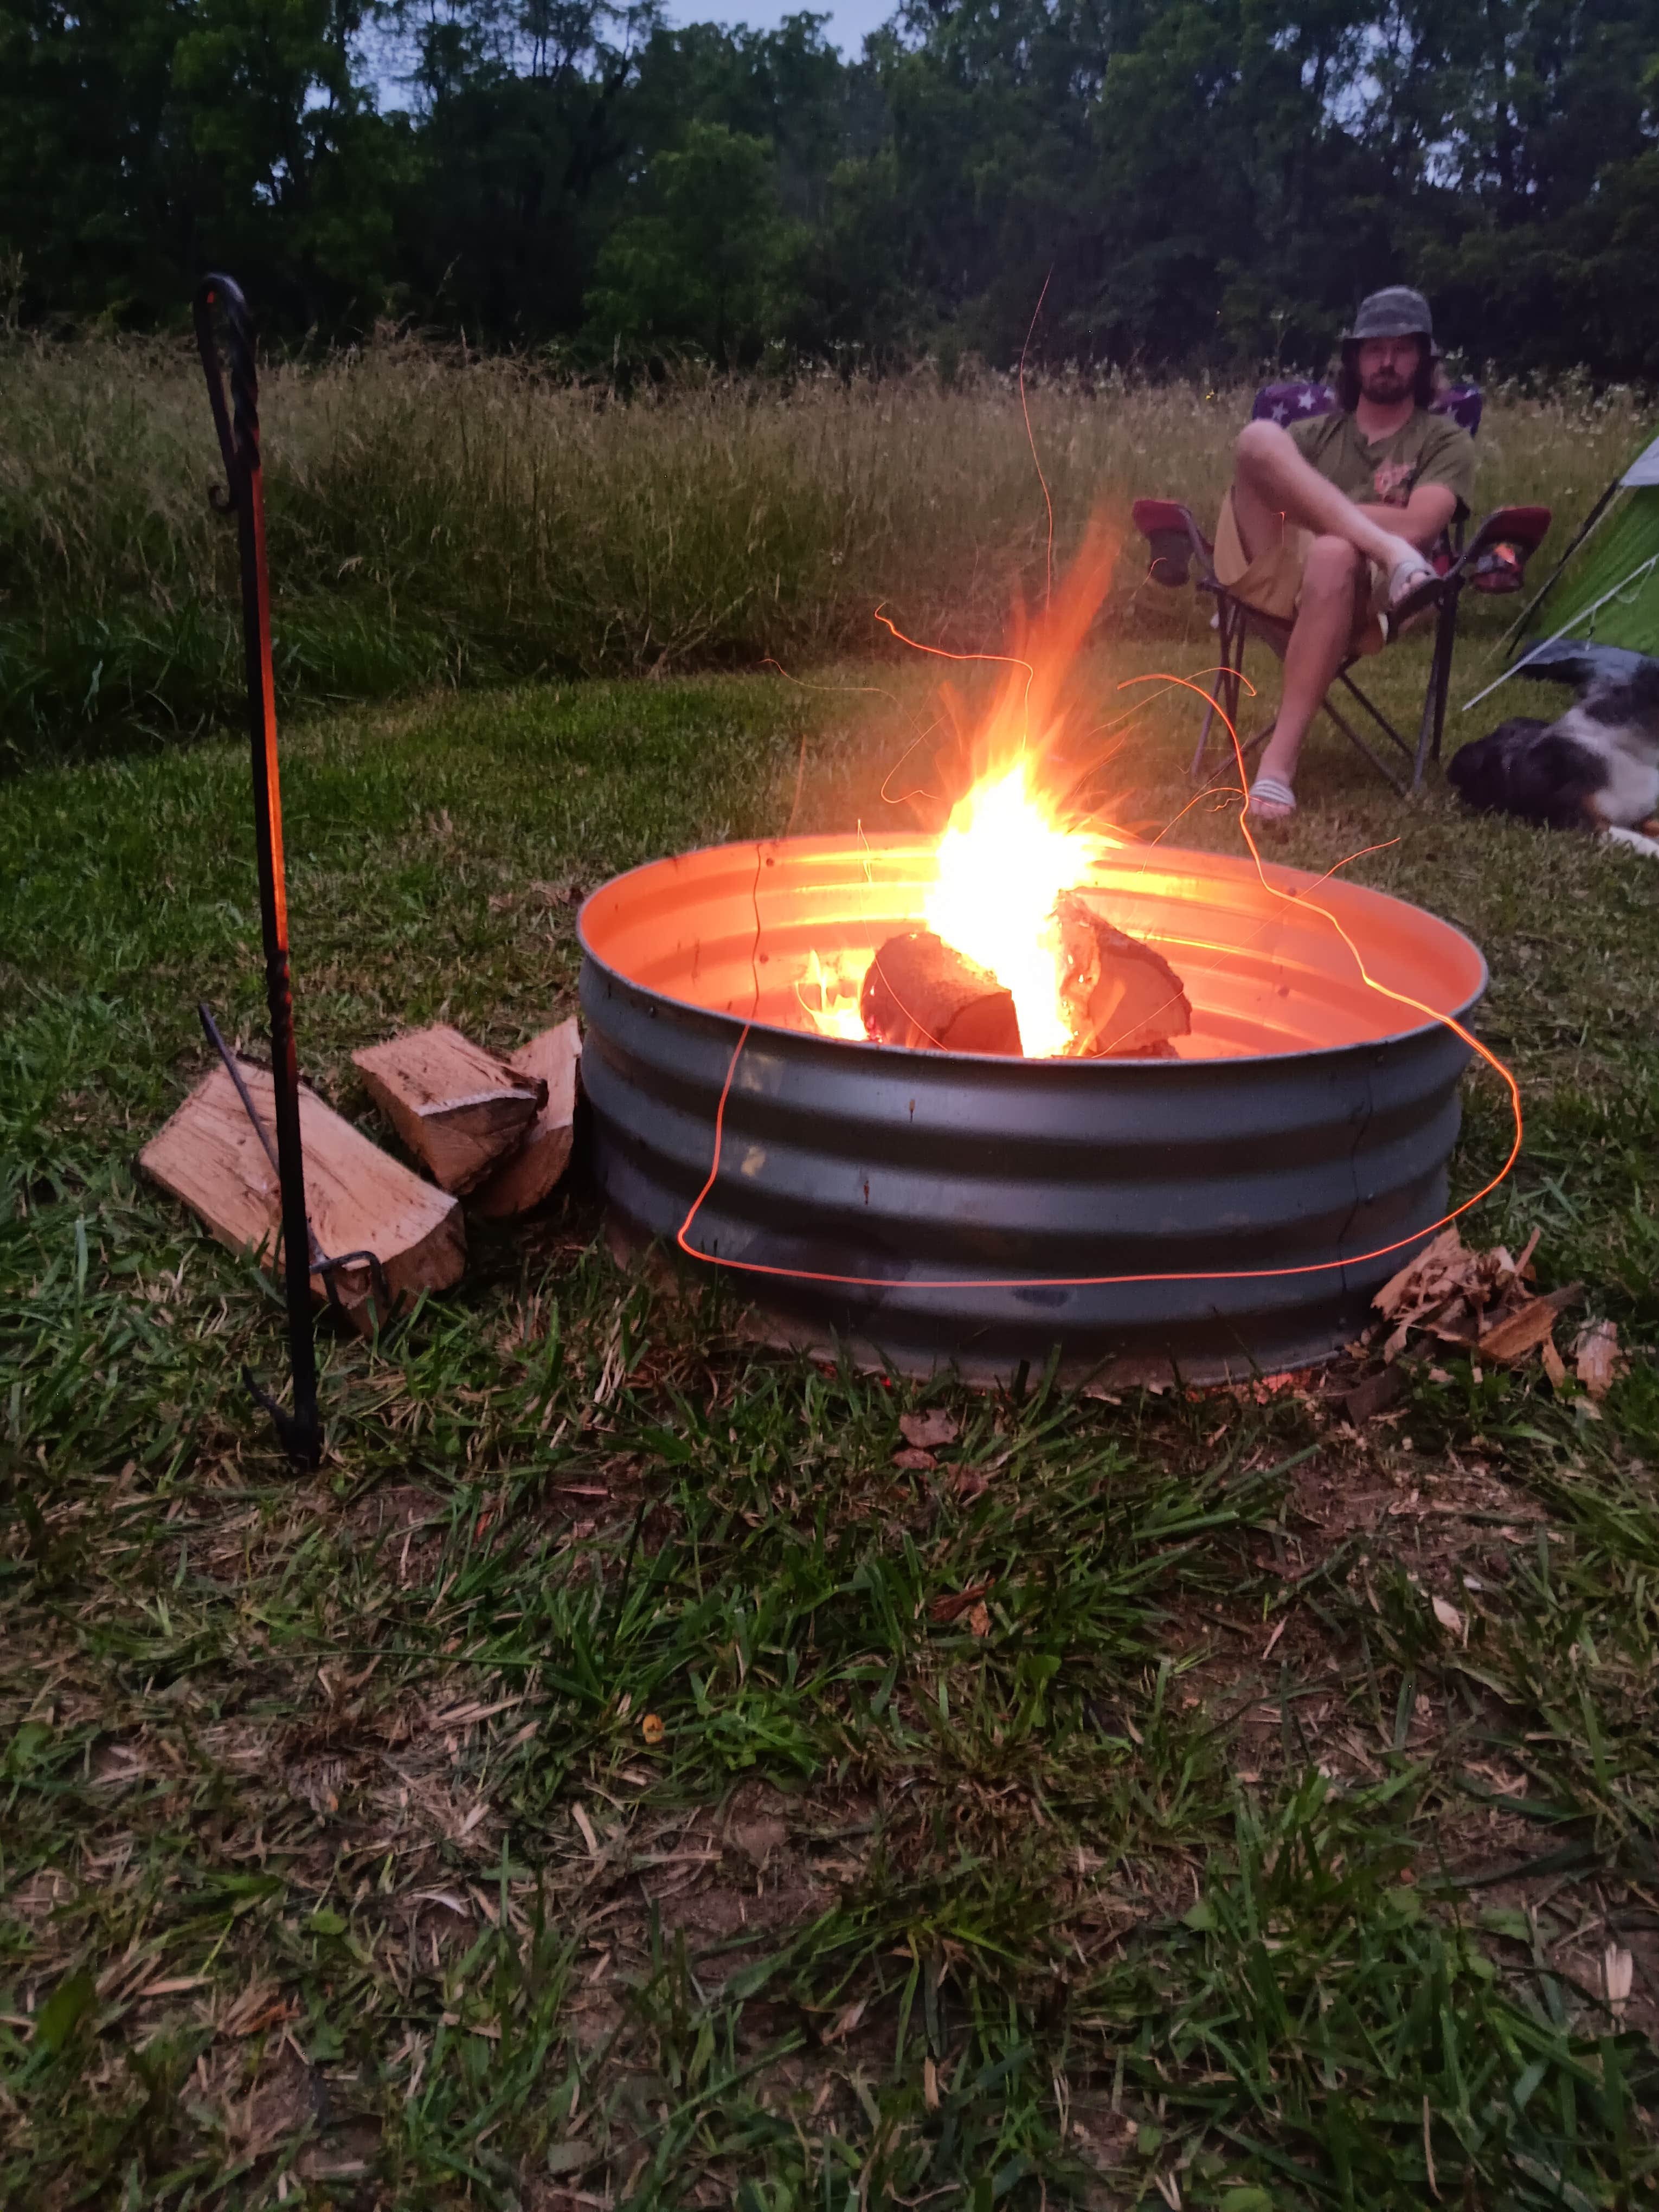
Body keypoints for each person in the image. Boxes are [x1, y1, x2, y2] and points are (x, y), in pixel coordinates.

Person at [1216, 287, 1477, 825]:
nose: (1387, 361)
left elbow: (1422, 525)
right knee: (1259, 438)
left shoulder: (1444, 441)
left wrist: (1313, 510)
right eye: (1375, 348)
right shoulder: (1309, 434)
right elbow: (1268, 494)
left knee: (1335, 552)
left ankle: (1277, 765)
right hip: (1280, 570)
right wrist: (1382, 535)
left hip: (1371, 593)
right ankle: (1385, 551)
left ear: (1425, 360)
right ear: (1355, 358)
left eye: (1403, 349)